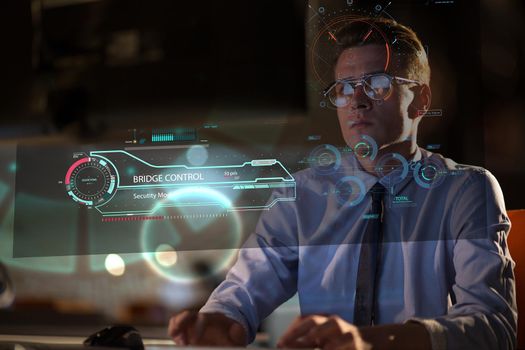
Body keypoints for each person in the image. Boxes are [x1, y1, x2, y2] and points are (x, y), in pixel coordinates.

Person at [168, 17, 517, 350]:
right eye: (344, 88)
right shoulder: (300, 194)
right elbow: (245, 287)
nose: (356, 101)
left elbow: (493, 327)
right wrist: (222, 319)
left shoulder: (467, 190)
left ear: (421, 101)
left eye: (378, 84)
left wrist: (369, 343)